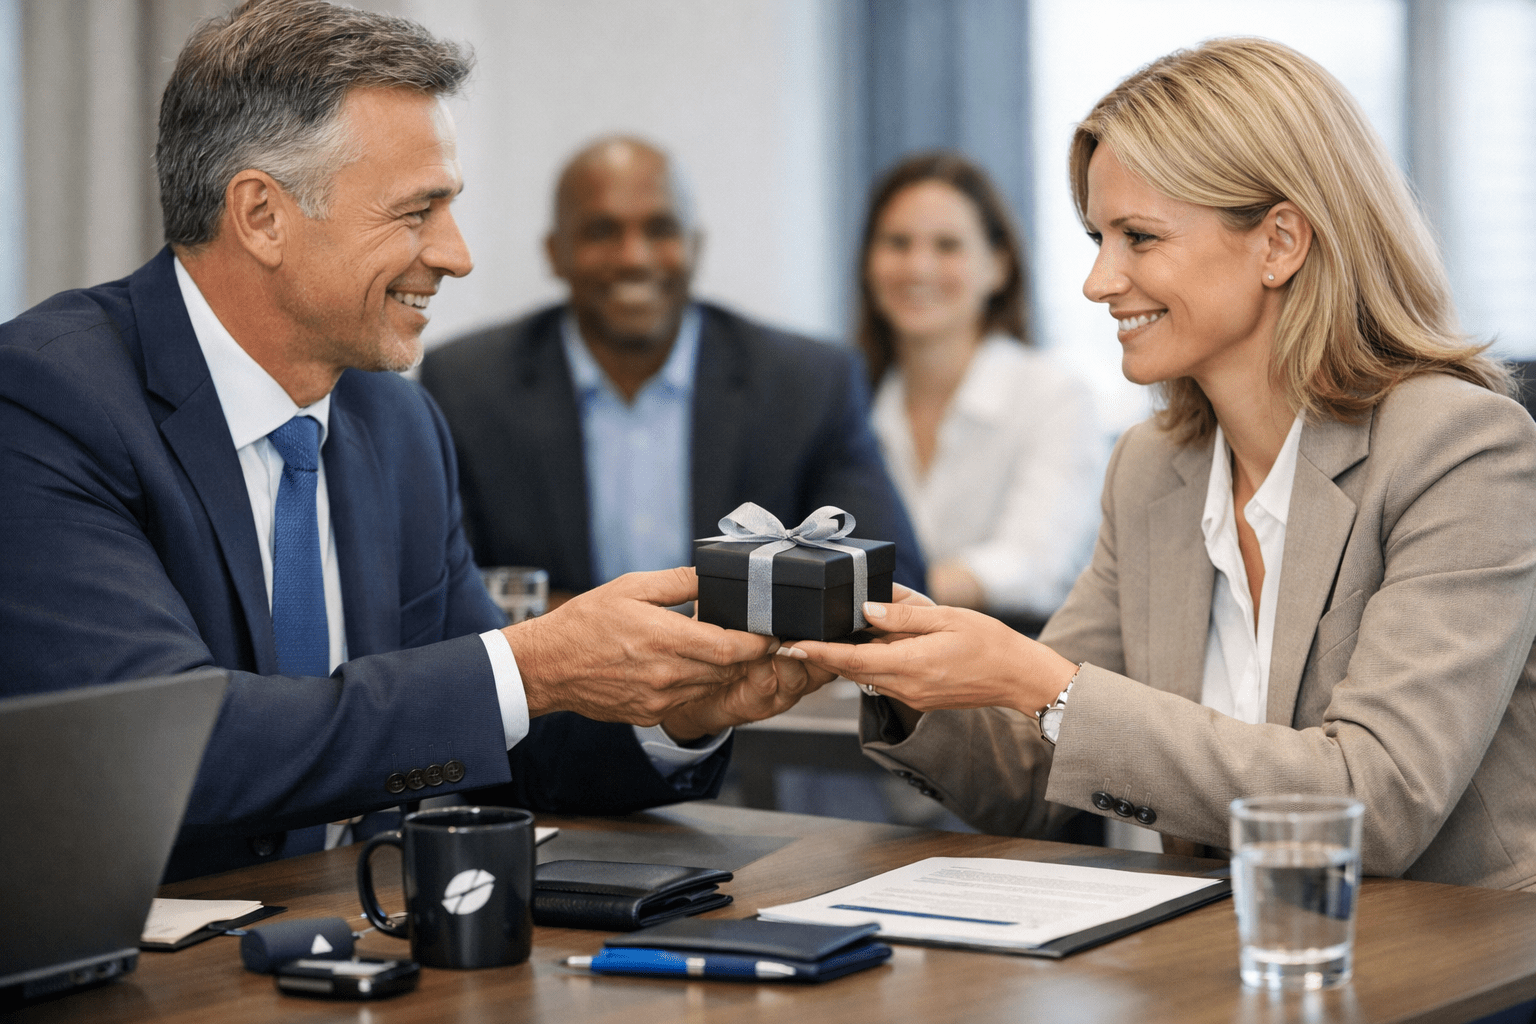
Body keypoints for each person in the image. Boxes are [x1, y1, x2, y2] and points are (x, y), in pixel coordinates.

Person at [0, 0, 817, 882]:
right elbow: (170, 749)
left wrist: (683, 708)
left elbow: (501, 739)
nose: (457, 254)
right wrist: (531, 662)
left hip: (362, 955)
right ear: (262, 215)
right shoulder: (48, 401)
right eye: (417, 211)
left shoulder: (397, 424)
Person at [780, 37, 1536, 890]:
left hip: (1462, 971)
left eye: (1139, 236)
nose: (1100, 280)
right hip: (1224, 966)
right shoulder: (1152, 469)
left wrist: (1046, 684)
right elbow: (1025, 782)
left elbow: (1373, 803)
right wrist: (885, 656)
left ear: (1280, 242)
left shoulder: (1462, 449)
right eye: (1101, 236)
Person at [419, 136, 925, 603]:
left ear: (696, 247)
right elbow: (439, 590)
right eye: (602, 231)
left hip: (752, 691)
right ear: (556, 254)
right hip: (555, 695)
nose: (634, 257)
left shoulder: (810, 382)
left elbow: (892, 580)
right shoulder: (466, 385)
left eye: (660, 230)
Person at [856, 151, 1104, 622]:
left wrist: (882, 592)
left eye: (947, 246)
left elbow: (1035, 562)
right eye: (897, 243)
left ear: (998, 266)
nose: (918, 267)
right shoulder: (849, 402)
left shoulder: (1055, 395)